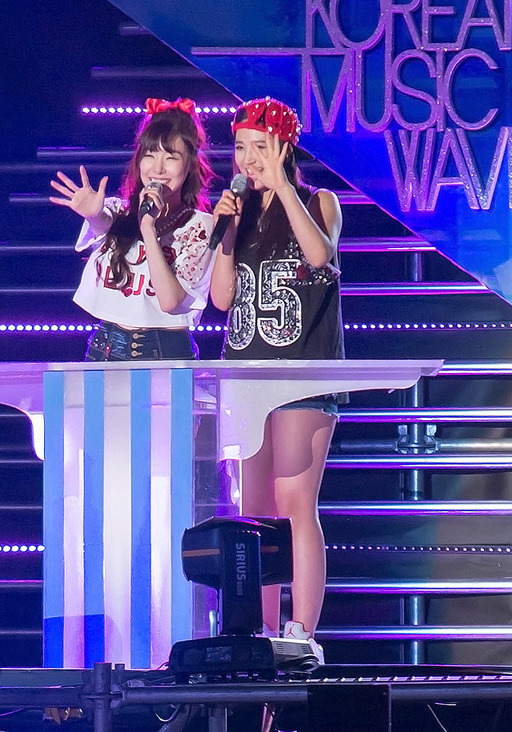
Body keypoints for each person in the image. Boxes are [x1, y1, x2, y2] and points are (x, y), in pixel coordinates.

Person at [209, 96, 344, 656]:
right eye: (241, 147)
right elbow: (221, 299)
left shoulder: (318, 201)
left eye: (260, 147)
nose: (248, 159)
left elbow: (319, 255)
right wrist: (225, 233)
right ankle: (259, 630)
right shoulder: (237, 212)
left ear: (285, 148)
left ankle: (303, 634)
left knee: (294, 503)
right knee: (253, 510)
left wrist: (284, 188)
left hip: (301, 376)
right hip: (245, 374)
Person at [49, 97, 215, 360]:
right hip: (105, 346)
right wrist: (93, 214)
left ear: (190, 165)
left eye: (171, 157)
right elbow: (103, 221)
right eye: (150, 155)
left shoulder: (200, 227)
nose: (158, 168)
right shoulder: (119, 211)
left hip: (163, 351)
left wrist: (148, 227)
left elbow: (170, 302)